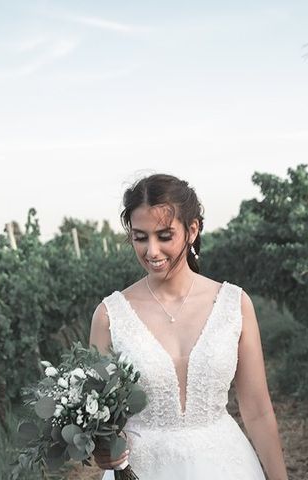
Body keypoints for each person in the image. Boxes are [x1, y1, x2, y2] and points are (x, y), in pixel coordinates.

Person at [89, 173, 289, 480]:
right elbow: (96, 416)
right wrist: (99, 447)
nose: (151, 251)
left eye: (164, 236)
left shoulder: (234, 304)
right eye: (140, 237)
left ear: (191, 230)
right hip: (144, 470)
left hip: (226, 465)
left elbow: (258, 410)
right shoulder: (108, 316)